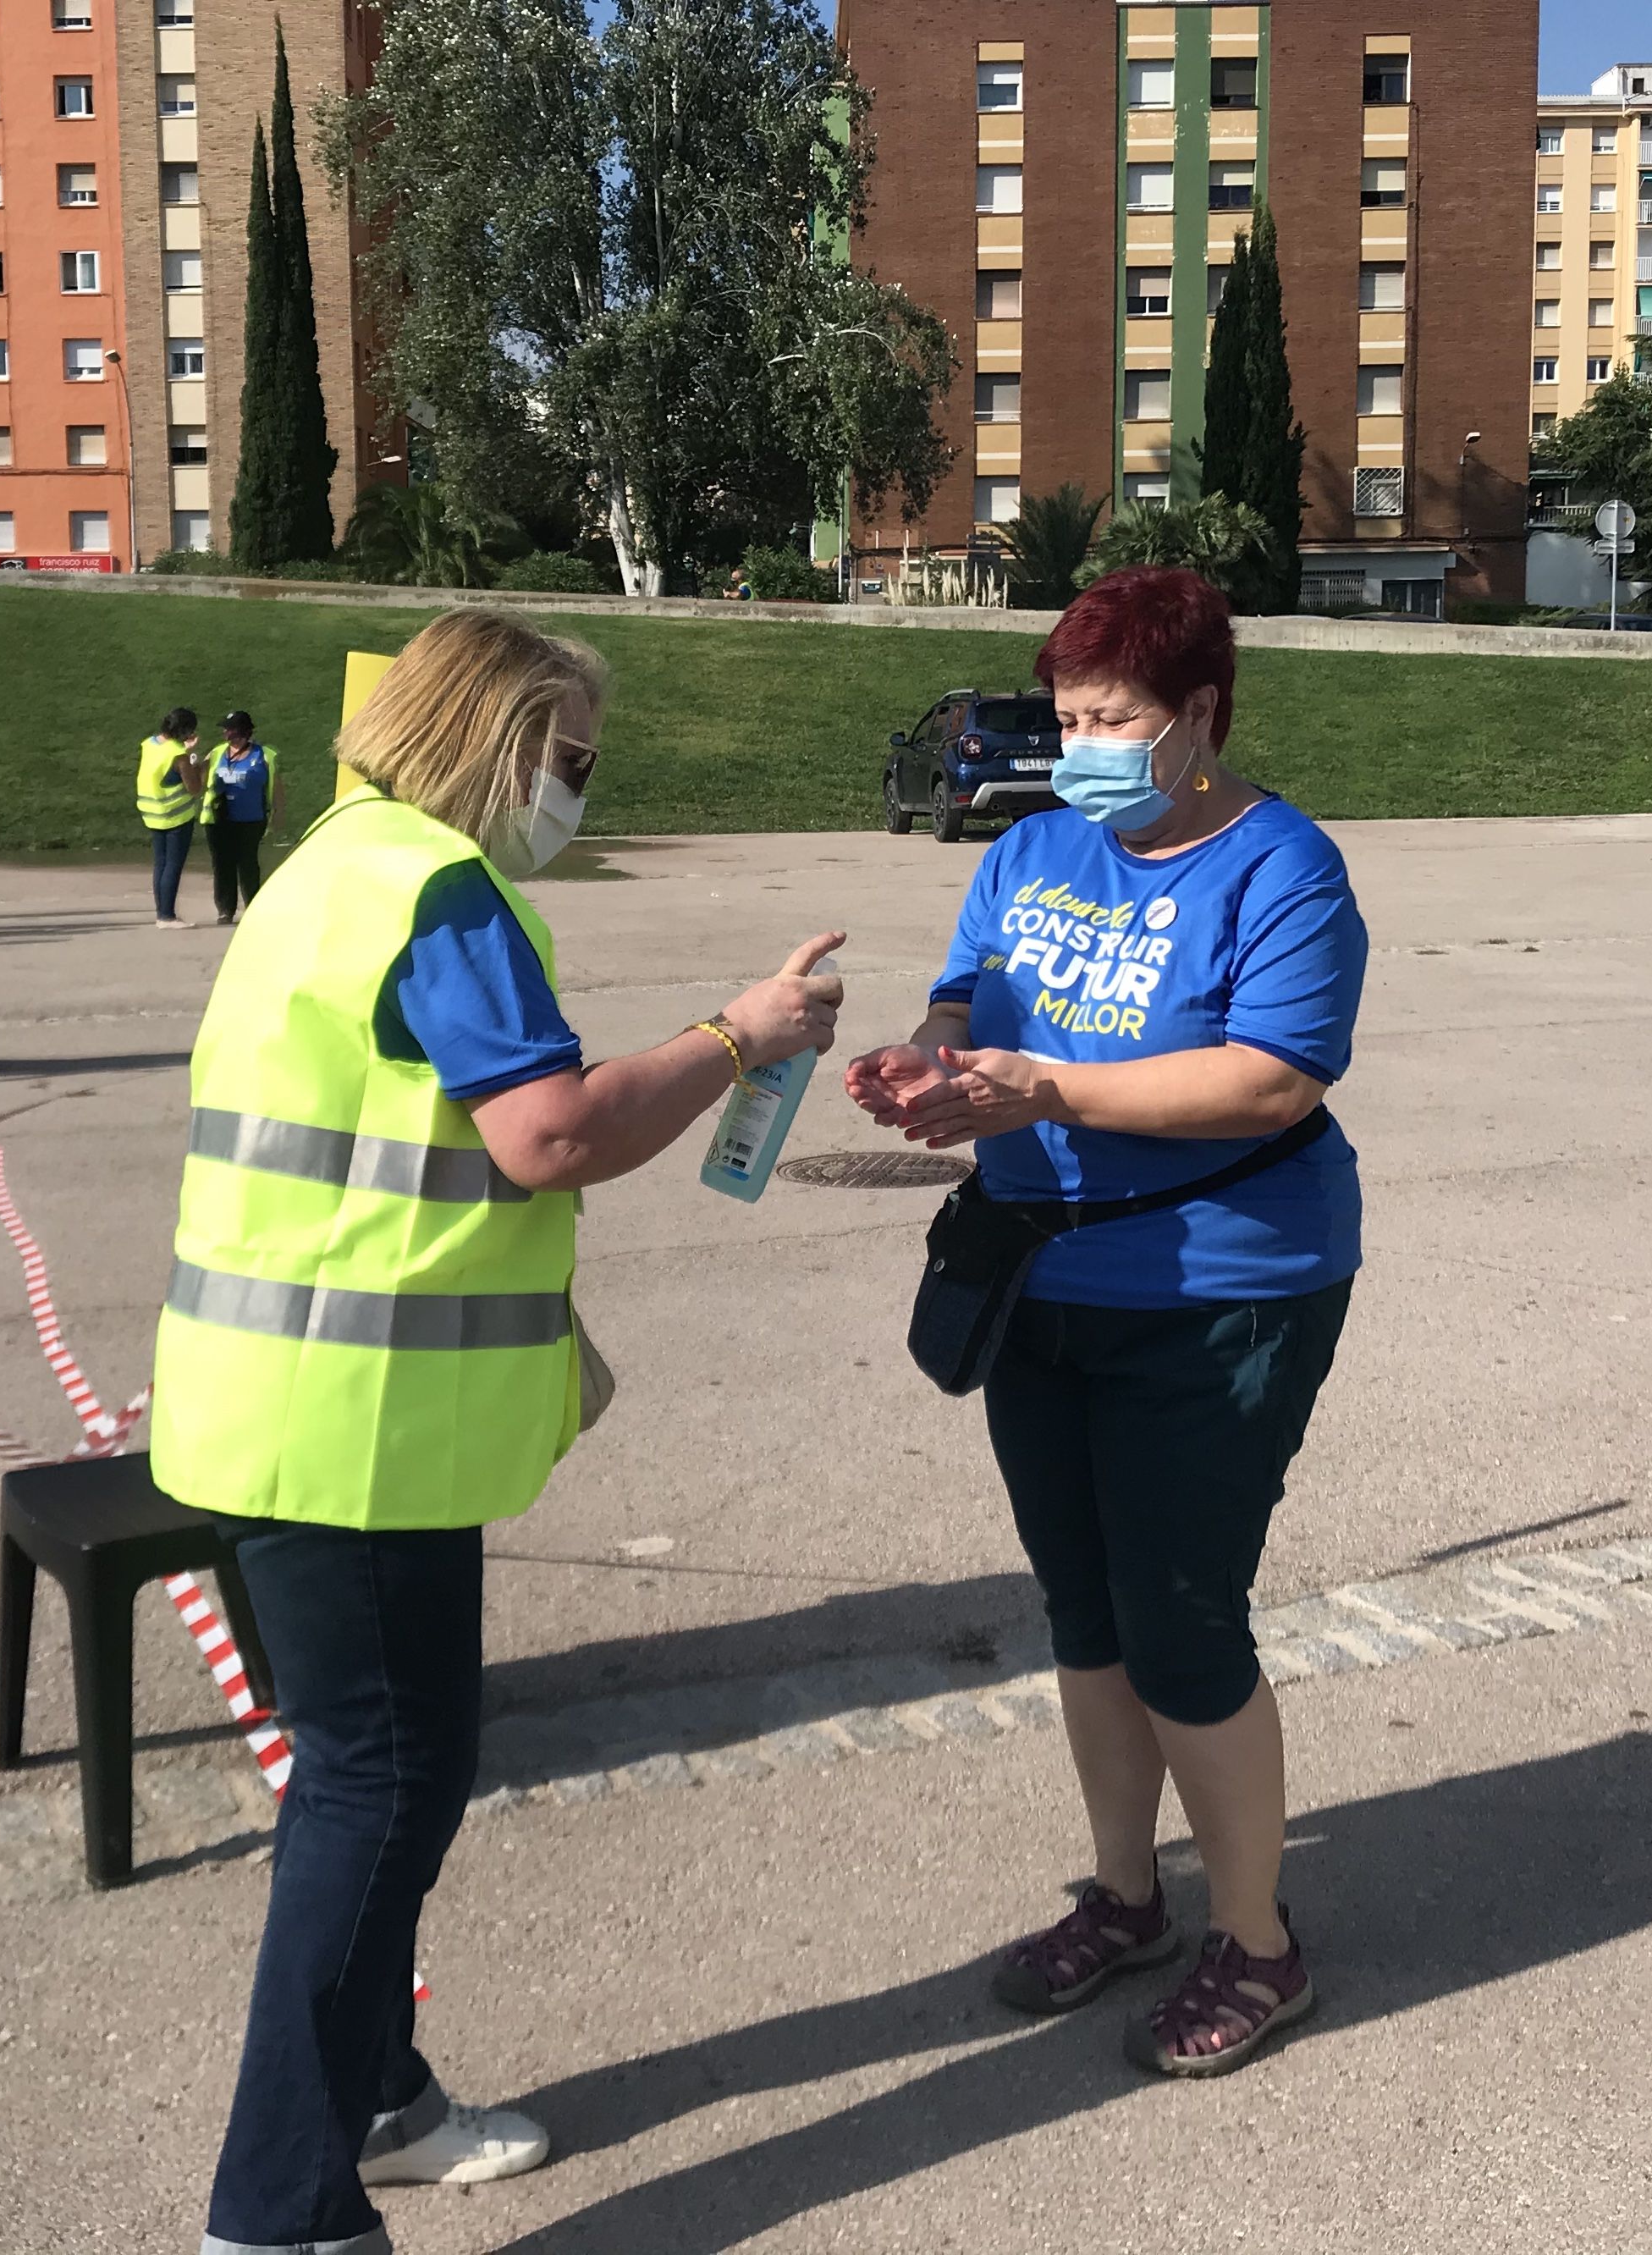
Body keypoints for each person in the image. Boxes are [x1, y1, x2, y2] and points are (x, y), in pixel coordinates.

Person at [146, 609, 845, 2255]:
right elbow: (547, 1132)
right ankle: (278, 2213)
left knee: (390, 1775)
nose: (578, 792)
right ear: (491, 738)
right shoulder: (439, 894)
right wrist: (738, 1036)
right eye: (570, 758)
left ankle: (379, 2099)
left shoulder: (327, 866)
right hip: (355, 1431)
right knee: (377, 1790)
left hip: (287, 1409)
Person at [843, 565, 1367, 2080]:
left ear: (1195, 713)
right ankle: (1129, 1892)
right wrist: (929, 1058)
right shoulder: (1029, 848)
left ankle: (1259, 1941)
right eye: (1065, 713)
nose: (1076, 741)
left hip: (1218, 1292)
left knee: (1180, 1622)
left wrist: (1048, 1087)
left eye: (1108, 716)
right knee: (1083, 1616)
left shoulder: (1280, 866)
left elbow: (1272, 1079)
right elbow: (968, 998)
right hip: (1037, 1277)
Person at [204, 708, 281, 924]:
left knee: (247, 864)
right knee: (222, 864)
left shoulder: (263, 755)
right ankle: (225, 910)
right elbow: (199, 779)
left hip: (251, 818)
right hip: (220, 819)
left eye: (229, 729)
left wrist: (278, 813)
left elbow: (276, 788)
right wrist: (191, 760)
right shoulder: (217, 753)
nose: (225, 733)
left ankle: (252, 907)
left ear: (242, 731)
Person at [137, 704, 206, 927]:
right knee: (173, 865)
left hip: (152, 813)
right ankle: (167, 916)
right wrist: (199, 763)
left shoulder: (150, 743)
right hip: (175, 816)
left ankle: (162, 913)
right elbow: (194, 787)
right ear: (185, 731)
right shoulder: (178, 755)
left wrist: (185, 748)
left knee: (161, 864)